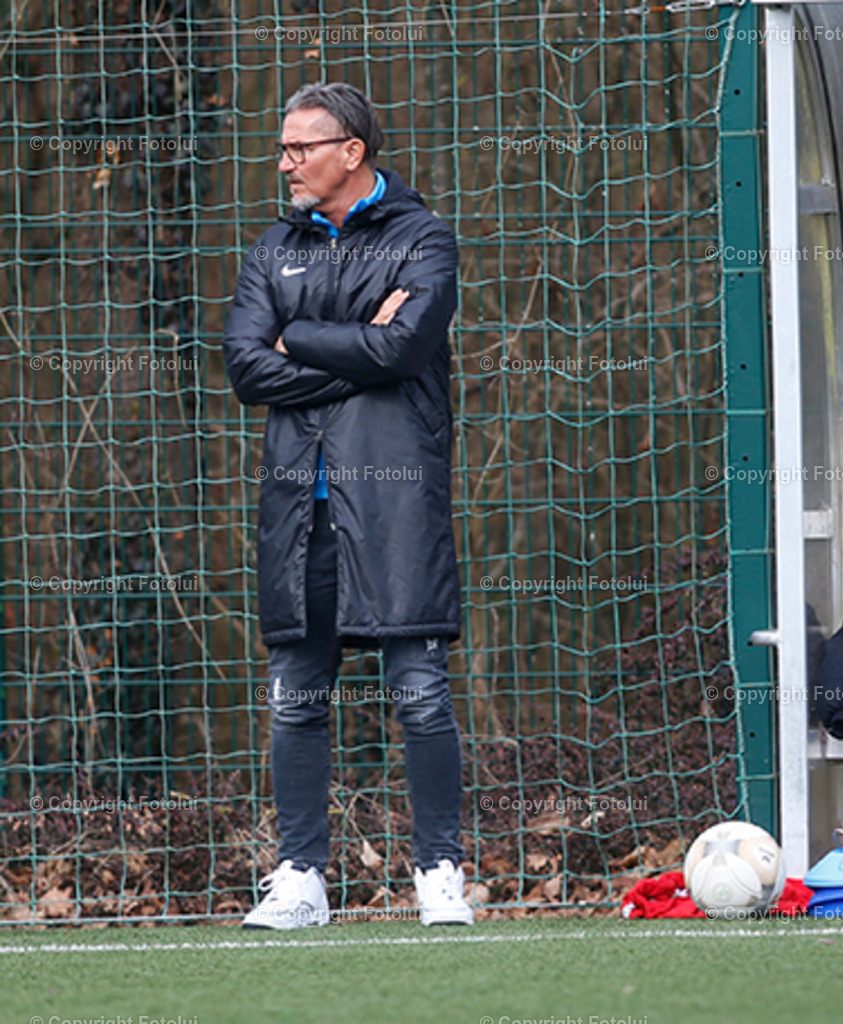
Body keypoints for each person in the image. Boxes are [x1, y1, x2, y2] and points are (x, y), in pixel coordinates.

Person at [221, 81, 471, 929]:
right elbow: (248, 367)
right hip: (300, 504)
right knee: (296, 693)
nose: (284, 162)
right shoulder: (270, 252)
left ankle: (440, 872)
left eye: (300, 148)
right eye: (283, 147)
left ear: (351, 153)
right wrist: (362, 345)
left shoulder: (424, 239)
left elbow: (406, 346)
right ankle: (301, 879)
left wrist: (303, 336)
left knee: (420, 692)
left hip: (396, 499)